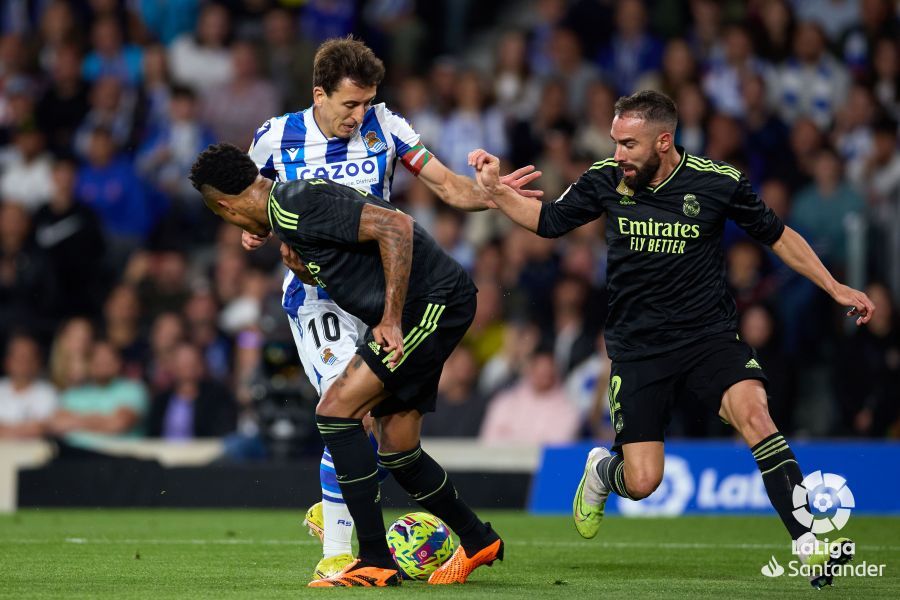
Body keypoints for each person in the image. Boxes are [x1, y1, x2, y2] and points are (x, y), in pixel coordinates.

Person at [469, 90, 876, 590]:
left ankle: (810, 543)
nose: (617, 153)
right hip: (638, 348)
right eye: (616, 142)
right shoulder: (605, 179)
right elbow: (548, 221)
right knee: (643, 482)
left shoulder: (716, 182)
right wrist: (494, 191)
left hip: (708, 336)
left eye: (628, 143)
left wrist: (835, 286)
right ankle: (603, 471)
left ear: (664, 141)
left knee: (755, 414)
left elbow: (778, 235)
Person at [241, 36, 539, 579]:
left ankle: (356, 521)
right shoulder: (274, 136)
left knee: (380, 434)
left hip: (386, 295)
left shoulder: (387, 125)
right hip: (317, 297)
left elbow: (448, 186)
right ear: (319, 94)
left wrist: (493, 193)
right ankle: (339, 552)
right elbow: (249, 199)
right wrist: (253, 232)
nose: (360, 115)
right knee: (342, 408)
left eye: (367, 102)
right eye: (349, 104)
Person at [190, 143, 505, 587]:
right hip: (433, 301)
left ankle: (375, 559)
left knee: (336, 410)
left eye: (222, 214)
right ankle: (478, 539)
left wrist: (392, 319)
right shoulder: (290, 208)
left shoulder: (296, 205)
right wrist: (306, 273)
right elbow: (355, 261)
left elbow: (396, 226)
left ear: (223, 205)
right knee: (398, 449)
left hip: (429, 304)